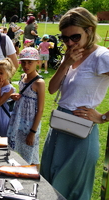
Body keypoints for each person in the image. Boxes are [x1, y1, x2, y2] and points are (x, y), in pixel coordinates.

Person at [40, 7, 109, 200]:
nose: (70, 42)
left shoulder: (101, 56)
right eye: (65, 38)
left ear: (89, 31)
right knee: (49, 185)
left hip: (81, 134)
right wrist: (65, 63)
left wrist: (102, 117)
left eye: (75, 37)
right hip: (58, 129)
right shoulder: (70, 54)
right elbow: (53, 89)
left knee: (73, 193)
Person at [7, 47, 45, 168]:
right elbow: (23, 95)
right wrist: (17, 96)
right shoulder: (23, 76)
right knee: (20, 150)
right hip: (18, 119)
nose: (26, 65)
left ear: (37, 62)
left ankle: (34, 178)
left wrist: (32, 132)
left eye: (30, 62)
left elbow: (40, 109)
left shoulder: (39, 82)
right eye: (23, 62)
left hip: (30, 124)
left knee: (31, 152)